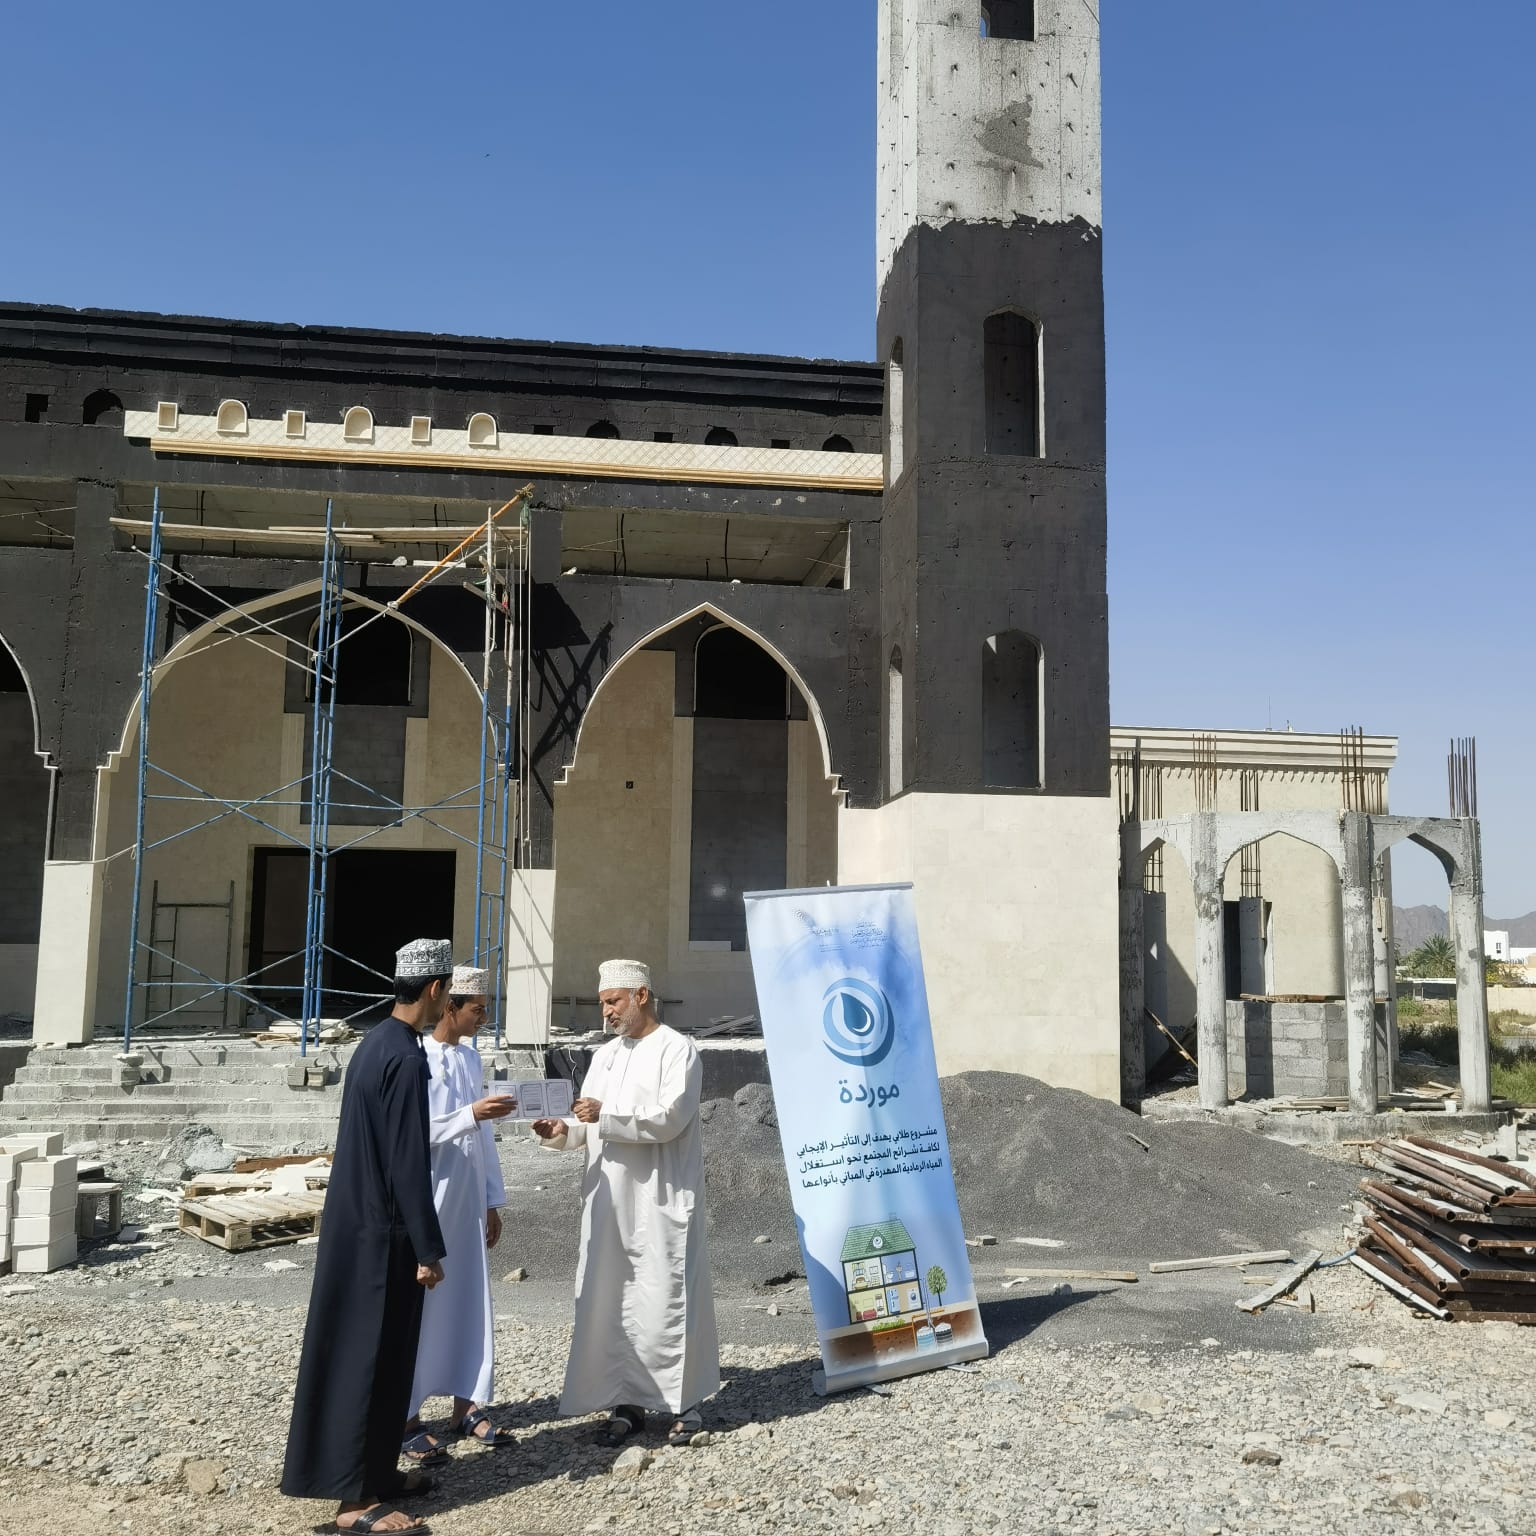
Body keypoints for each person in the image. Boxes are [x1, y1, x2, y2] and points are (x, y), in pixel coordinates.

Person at [281, 938, 454, 1536]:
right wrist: (429, 1247)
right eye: (447, 993)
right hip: (384, 1234)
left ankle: (377, 1473)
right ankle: (354, 1502)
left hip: (360, 1224)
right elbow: (408, 1160)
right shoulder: (404, 1057)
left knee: (387, 1356)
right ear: (435, 988)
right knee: (369, 1360)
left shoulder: (376, 1042)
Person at [532, 958, 719, 1447]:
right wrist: (559, 1131)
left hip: (659, 1196)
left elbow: (670, 1118)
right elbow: (586, 1125)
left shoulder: (678, 1049)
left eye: (613, 1001)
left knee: (665, 1295)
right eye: (602, 1003)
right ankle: (625, 1402)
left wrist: (605, 1115)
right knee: (611, 1298)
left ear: (641, 995)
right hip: (609, 1202)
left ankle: (683, 1404)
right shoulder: (604, 1056)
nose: (606, 1012)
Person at [401, 964, 518, 1462]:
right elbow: (411, 1131)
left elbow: (483, 1137)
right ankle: (406, 1416)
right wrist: (471, 1115)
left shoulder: (470, 1059)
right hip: (431, 1195)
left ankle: (466, 1405)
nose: (483, 1019)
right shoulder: (416, 1057)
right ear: (449, 1006)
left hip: (467, 1199)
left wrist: (492, 1200)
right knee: (421, 1306)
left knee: (469, 1296)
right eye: (477, 1009)